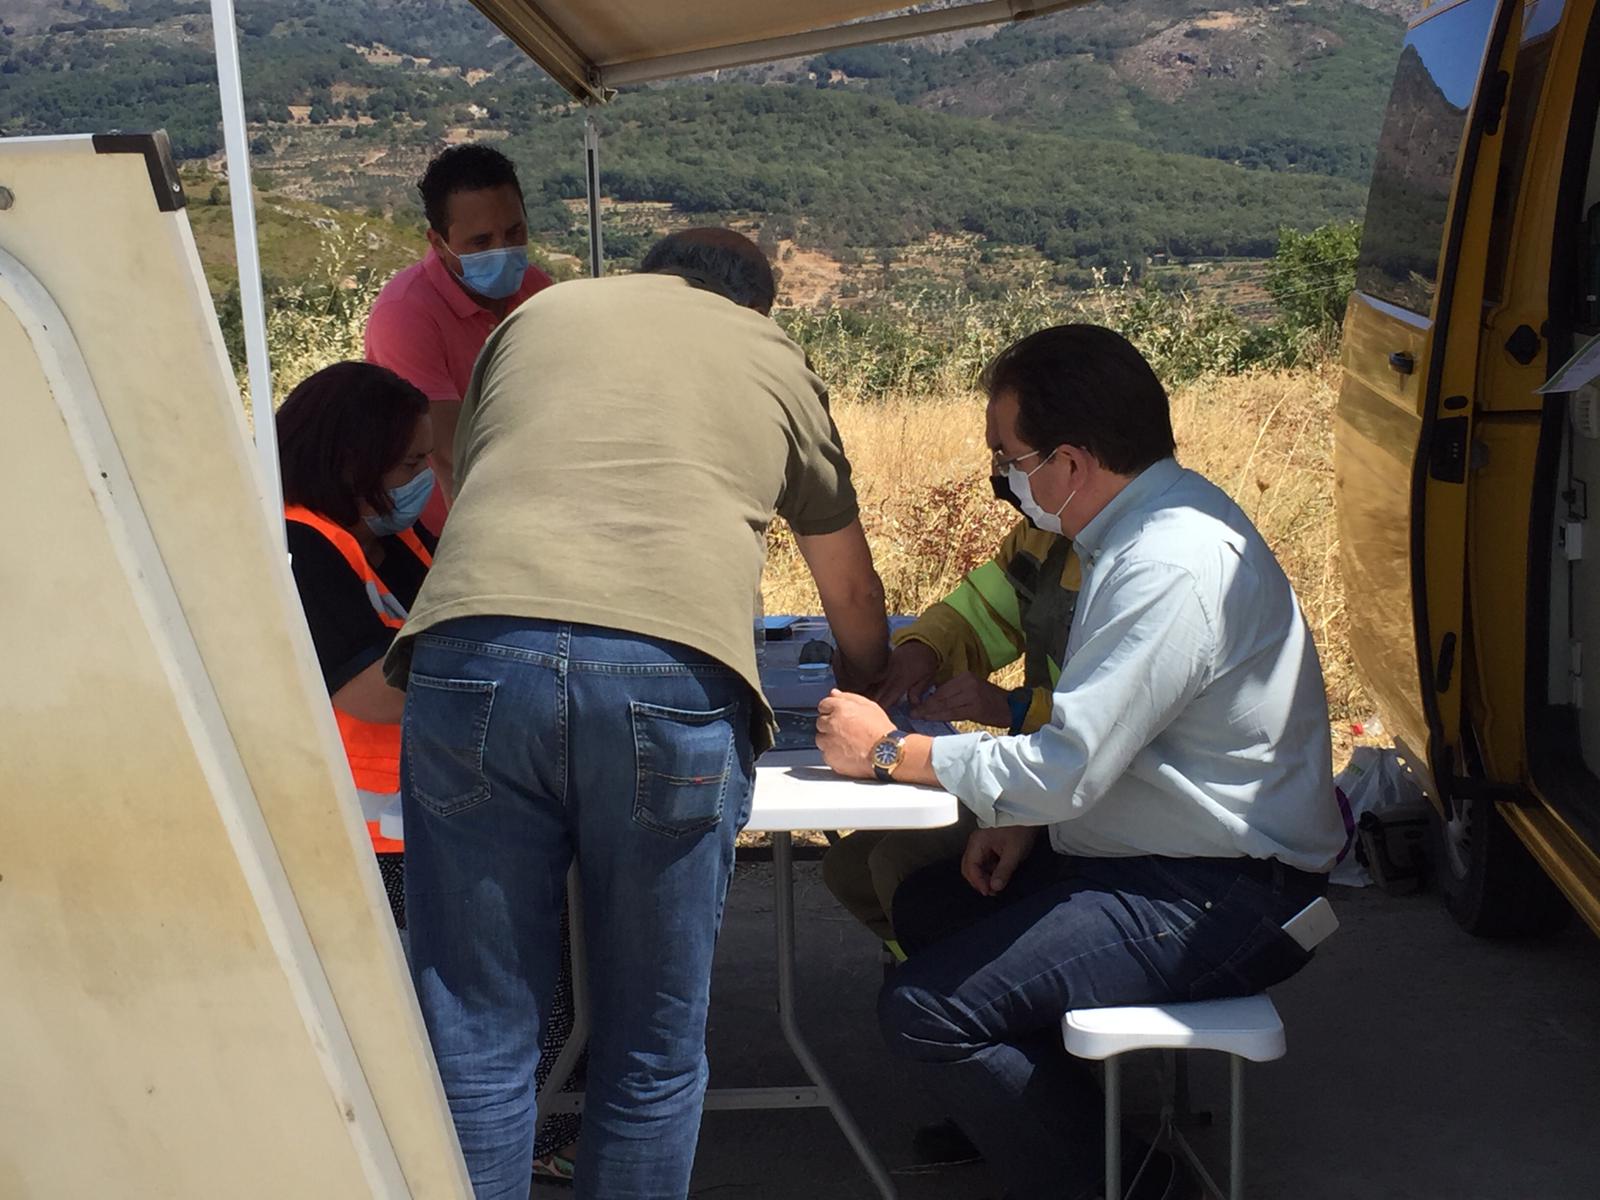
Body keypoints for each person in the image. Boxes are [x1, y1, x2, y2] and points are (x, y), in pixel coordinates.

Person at [385, 228, 891, 1200]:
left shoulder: (535, 318)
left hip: (472, 662)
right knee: (649, 1055)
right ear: (753, 306)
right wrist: (873, 683)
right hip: (667, 680)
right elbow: (851, 591)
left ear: (649, 278)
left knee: (478, 1041)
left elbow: (469, 477)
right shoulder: (768, 357)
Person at [815, 324, 1348, 1200]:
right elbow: (1106, 742)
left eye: (1009, 456)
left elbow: (1067, 764)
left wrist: (887, 753)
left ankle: (1141, 1188)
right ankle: (1056, 1126)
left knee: (923, 1010)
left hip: (1221, 891)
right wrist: (1026, 818)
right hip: (1164, 859)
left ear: (1070, 463)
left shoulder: (1168, 564)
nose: (1004, 477)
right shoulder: (1138, 534)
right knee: (930, 905)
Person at [276, 362, 582, 1179]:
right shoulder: (305, 547)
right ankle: (520, 1147)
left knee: (539, 963)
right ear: (352, 461)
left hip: (447, 803)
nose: (425, 479)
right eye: (410, 464)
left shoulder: (394, 533)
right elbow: (368, 691)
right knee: (479, 996)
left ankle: (542, 1129)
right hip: (381, 832)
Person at [823, 494, 1081, 954]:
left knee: (899, 868)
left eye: (1010, 455)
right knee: (849, 869)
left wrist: (1013, 709)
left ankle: (951, 996)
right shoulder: (1041, 537)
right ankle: (925, 981)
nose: (1001, 474)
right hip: (1036, 781)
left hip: (1083, 797)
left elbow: (1105, 722)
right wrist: (923, 651)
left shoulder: (1132, 557)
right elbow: (980, 613)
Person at [365, 143, 553, 535]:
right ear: (438, 243)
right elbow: (452, 451)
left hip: (531, 511)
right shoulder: (405, 315)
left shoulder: (536, 289)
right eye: (481, 242)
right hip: (446, 537)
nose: (503, 250)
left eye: (514, 231)